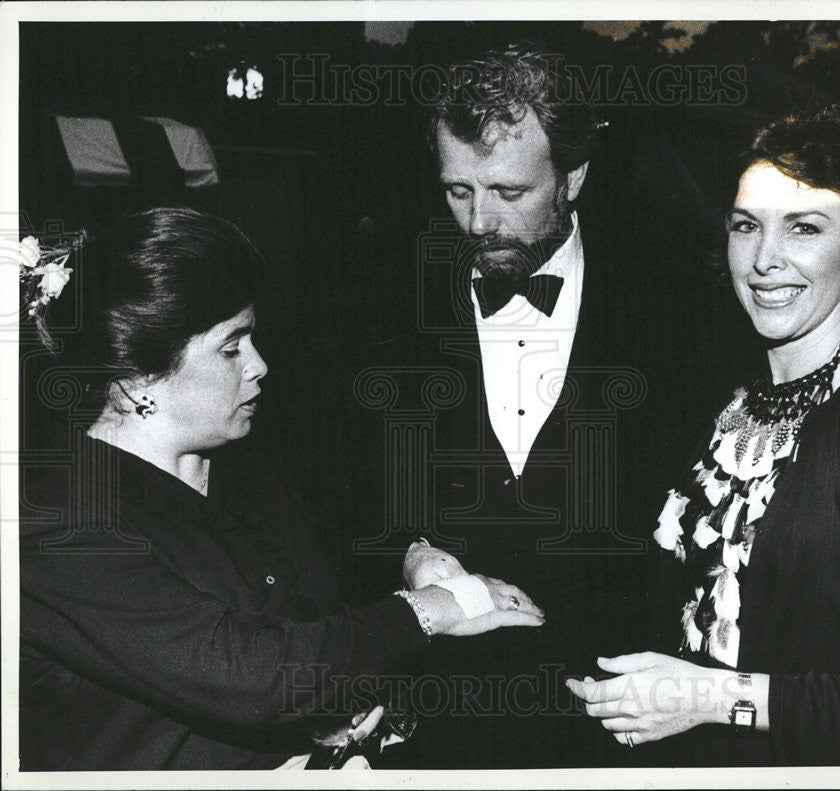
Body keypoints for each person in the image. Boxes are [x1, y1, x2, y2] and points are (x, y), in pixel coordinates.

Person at [18, 207, 544, 771]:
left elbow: (315, 622)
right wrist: (430, 610)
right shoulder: (57, 519)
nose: (260, 365)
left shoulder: (245, 466)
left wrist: (411, 569)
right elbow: (251, 676)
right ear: (137, 375)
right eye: (231, 347)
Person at [567, 105, 840, 765]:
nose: (763, 260)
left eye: (804, 228)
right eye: (745, 226)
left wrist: (706, 698)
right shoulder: (722, 398)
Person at [362, 42, 691, 769]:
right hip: (434, 726)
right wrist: (407, 551)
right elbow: (328, 489)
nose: (479, 221)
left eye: (508, 192)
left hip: (615, 733)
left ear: (572, 176)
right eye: (458, 190)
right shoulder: (381, 299)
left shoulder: (675, 309)